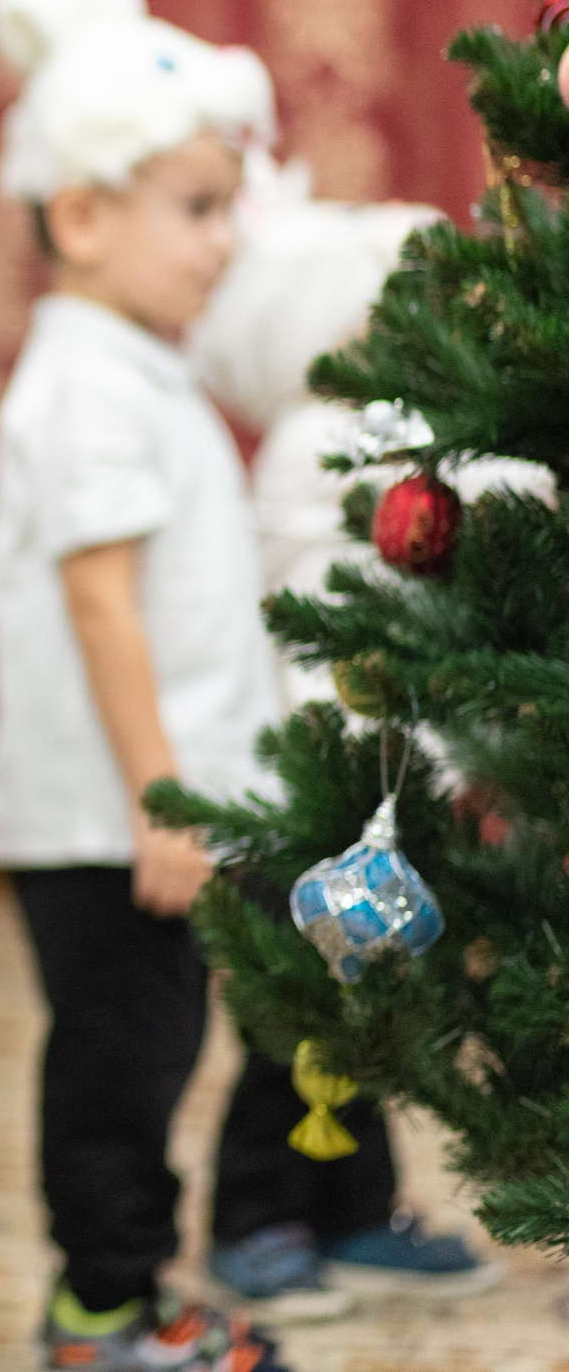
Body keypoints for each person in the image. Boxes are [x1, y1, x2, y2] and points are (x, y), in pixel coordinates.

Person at [0, 0, 296, 1371]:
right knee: (122, 1065)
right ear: (83, 214)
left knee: (155, 1052)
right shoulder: (87, 386)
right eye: (200, 208)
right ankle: (102, 1306)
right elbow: (104, 608)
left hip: (146, 809)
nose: (228, 239)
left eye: (232, 206)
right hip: (111, 819)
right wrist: (166, 798)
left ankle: (130, 1284)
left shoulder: (136, 366)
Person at [187, 158, 496, 1310]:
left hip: (391, 791)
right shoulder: (320, 445)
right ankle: (254, 1215)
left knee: (374, 1019)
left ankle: (357, 1208)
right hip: (309, 798)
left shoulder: (416, 438)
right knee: (295, 1018)